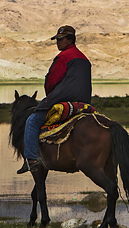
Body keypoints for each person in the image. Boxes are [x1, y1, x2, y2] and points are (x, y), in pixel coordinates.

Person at [18, 25, 93, 175]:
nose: (57, 42)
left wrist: (51, 95)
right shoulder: (84, 58)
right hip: (83, 103)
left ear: (70, 40)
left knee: (32, 121)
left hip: (64, 100)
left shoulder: (64, 56)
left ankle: (32, 159)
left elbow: (52, 80)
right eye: (57, 39)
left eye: (60, 39)